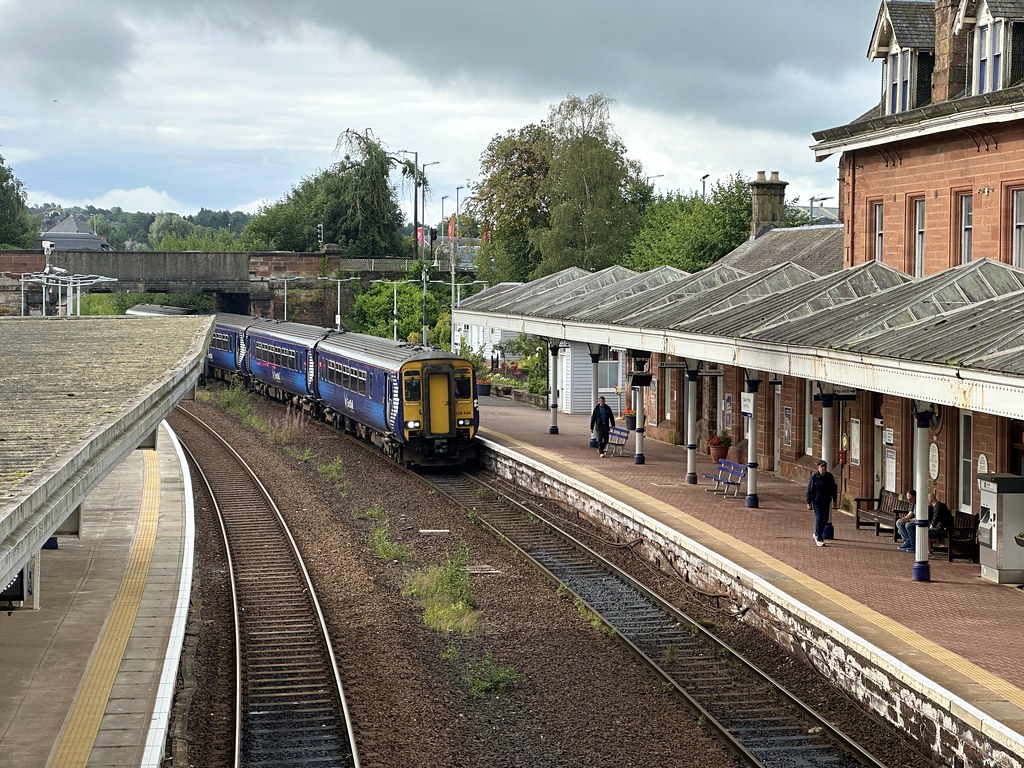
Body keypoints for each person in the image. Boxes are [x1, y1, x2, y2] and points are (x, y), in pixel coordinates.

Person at [805, 460, 838, 547]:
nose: (823, 469)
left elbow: (833, 490)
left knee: (826, 519)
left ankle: (817, 533)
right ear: (818, 468)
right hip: (817, 501)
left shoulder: (829, 477)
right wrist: (809, 502)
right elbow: (809, 490)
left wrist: (835, 501)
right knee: (819, 518)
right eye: (821, 467)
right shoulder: (814, 477)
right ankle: (819, 538)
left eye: (824, 467)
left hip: (826, 501)